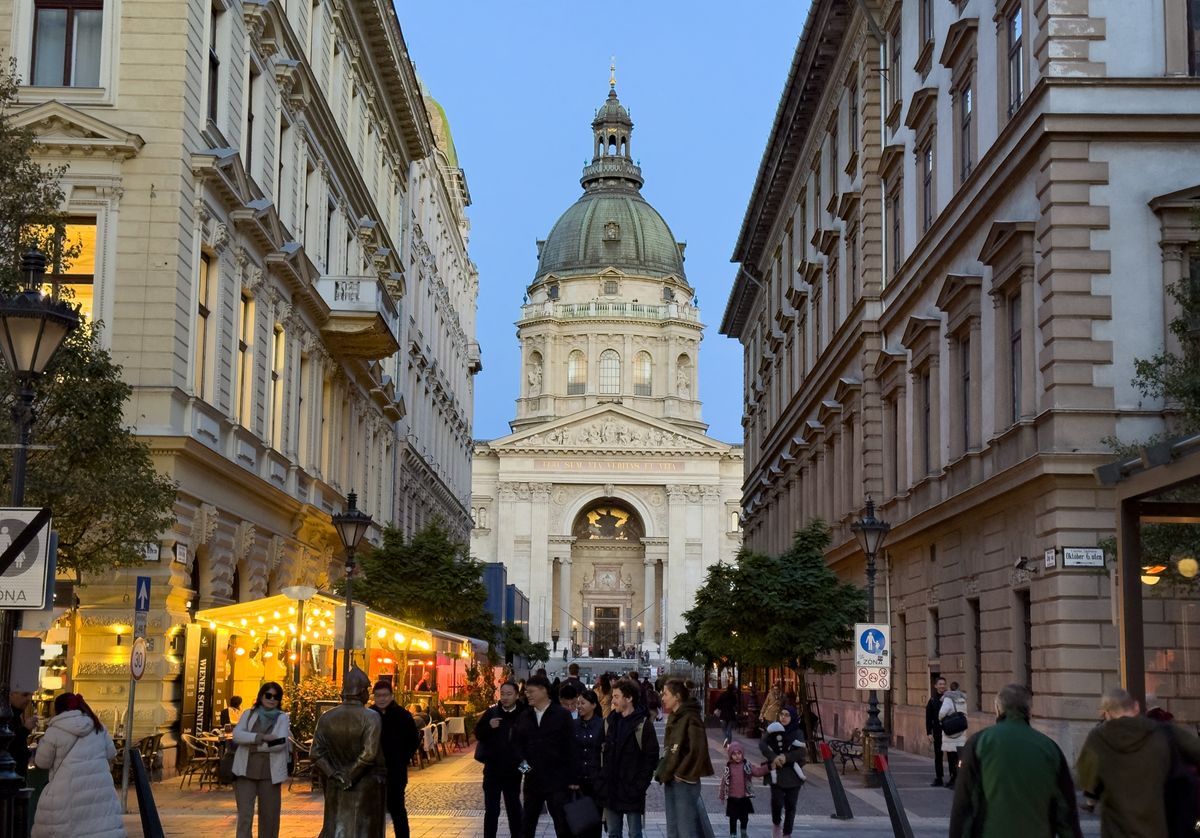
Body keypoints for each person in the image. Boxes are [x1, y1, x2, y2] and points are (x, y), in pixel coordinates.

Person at [949, 683, 1083, 838]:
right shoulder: (1050, 748)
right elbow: (1065, 810)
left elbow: (964, 805)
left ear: (998, 709)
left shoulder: (979, 742)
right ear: (1029, 711)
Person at [1076, 688, 1200, 838]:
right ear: (1136, 707)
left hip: (1116, 831)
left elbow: (1086, 780)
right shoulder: (1164, 731)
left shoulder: (1097, 738)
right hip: (1158, 829)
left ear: (1106, 713)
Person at [30, 692, 123, 838]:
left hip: (65, 793)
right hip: (99, 791)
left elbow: (42, 762)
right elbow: (111, 753)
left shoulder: (54, 731)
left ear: (58, 710)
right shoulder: (98, 727)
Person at [311, 666, 387, 838]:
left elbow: (316, 753)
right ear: (361, 692)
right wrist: (349, 777)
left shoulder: (326, 717)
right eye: (367, 690)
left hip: (335, 784)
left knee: (335, 827)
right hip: (365, 786)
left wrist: (334, 774)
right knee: (363, 831)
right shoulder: (371, 717)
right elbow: (369, 755)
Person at [514, 674, 580, 838]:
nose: (527, 694)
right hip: (532, 782)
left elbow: (571, 747)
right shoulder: (524, 716)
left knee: (563, 826)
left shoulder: (561, 715)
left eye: (531, 691)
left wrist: (572, 778)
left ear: (544, 690)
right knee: (526, 826)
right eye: (526, 692)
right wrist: (525, 770)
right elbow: (516, 747)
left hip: (557, 782)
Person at [228, 681, 290, 838]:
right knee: (244, 816)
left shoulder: (282, 718)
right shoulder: (248, 714)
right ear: (261, 696)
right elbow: (237, 735)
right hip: (245, 772)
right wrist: (260, 737)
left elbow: (279, 743)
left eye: (276, 697)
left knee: (270, 817)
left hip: (270, 774)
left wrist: (252, 745)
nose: (271, 699)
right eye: (268, 695)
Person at [655, 679, 716, 838]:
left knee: (685, 829)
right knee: (673, 827)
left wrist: (681, 774)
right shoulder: (675, 717)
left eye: (666, 694)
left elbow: (697, 750)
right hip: (672, 777)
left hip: (683, 780)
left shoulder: (691, 717)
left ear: (677, 697)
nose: (663, 698)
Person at [602, 678, 660, 838]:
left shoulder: (643, 724)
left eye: (616, 696)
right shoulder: (610, 722)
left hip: (633, 789)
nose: (612, 701)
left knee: (635, 833)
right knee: (613, 833)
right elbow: (602, 754)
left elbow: (651, 758)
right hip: (611, 789)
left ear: (629, 698)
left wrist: (639, 786)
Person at [474, 681, 525, 838]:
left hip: (513, 772)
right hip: (492, 771)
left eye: (509, 694)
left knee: (514, 809)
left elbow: (530, 743)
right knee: (491, 810)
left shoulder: (524, 715)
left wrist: (526, 770)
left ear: (517, 695)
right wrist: (489, 726)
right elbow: (478, 734)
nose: (505, 697)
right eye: (502, 694)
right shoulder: (492, 713)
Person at [371, 681, 420, 838]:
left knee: (397, 808)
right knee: (372, 810)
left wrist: (403, 758)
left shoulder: (402, 715)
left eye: (385, 695)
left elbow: (414, 740)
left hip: (396, 770)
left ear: (391, 696)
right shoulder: (369, 714)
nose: (382, 699)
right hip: (372, 771)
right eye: (378, 695)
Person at [759, 720, 805, 838]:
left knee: (791, 805)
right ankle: (776, 823)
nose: (784, 717)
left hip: (793, 773)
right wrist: (773, 757)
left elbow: (801, 751)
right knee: (777, 802)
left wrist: (786, 757)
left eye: (787, 715)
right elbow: (762, 744)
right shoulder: (774, 729)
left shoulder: (797, 732)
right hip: (776, 773)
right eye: (782, 714)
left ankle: (787, 833)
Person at [573, 689, 605, 838]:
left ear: (593, 705)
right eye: (578, 703)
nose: (579, 706)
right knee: (579, 825)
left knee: (594, 825)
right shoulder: (573, 725)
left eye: (583, 703)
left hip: (596, 781)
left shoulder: (602, 725)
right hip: (578, 783)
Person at [719, 742, 768, 838]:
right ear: (730, 755)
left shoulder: (747, 765)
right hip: (732, 798)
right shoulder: (728, 767)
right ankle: (733, 834)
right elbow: (724, 781)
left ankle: (743, 831)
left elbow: (758, 771)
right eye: (734, 754)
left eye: (739, 753)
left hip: (744, 797)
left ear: (742, 754)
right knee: (732, 818)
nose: (737, 756)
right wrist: (722, 795)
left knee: (744, 817)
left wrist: (768, 767)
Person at [938, 680, 968, 788]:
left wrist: (941, 719)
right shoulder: (963, 699)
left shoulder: (948, 699)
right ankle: (960, 778)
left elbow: (942, 713)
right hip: (961, 730)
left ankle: (953, 778)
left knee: (951, 758)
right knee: (959, 757)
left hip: (951, 732)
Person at [925, 677, 948, 786]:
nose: (942, 686)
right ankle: (939, 777)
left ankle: (954, 777)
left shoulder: (949, 698)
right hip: (938, 731)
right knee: (938, 755)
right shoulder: (932, 700)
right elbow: (928, 718)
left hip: (949, 730)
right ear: (935, 686)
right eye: (940, 684)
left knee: (952, 754)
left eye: (944, 684)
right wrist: (929, 732)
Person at [6, 689, 34, 779]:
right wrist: (25, 730)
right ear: (11, 695)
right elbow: (8, 746)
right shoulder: (6, 716)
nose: (29, 699)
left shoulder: (16, 715)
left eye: (31, 695)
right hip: (9, 775)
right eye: (25, 695)